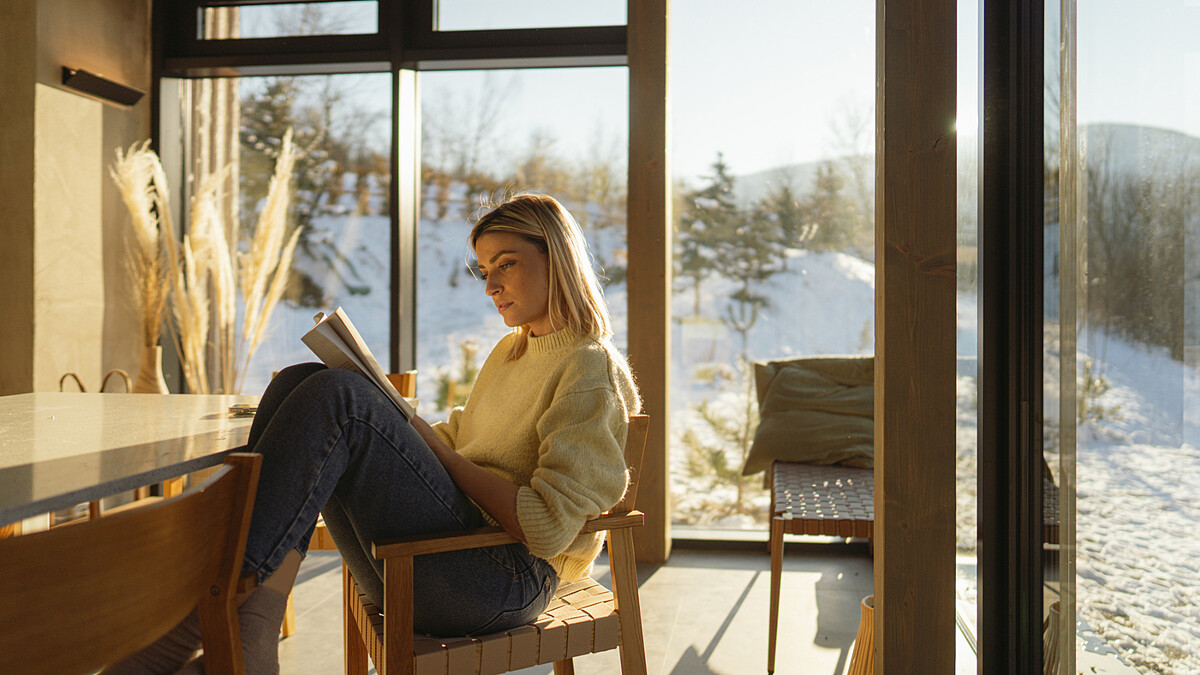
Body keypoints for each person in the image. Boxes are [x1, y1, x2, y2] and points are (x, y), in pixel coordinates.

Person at [104, 192, 641, 674]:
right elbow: (465, 440)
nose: (492, 286)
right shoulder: (513, 350)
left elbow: (547, 528)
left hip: (503, 581)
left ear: (558, 257)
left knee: (343, 398)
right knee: (303, 379)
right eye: (483, 271)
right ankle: (252, 622)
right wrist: (399, 418)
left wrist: (420, 442)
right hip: (425, 564)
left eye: (506, 264)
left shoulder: (587, 368)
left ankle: (211, 612)